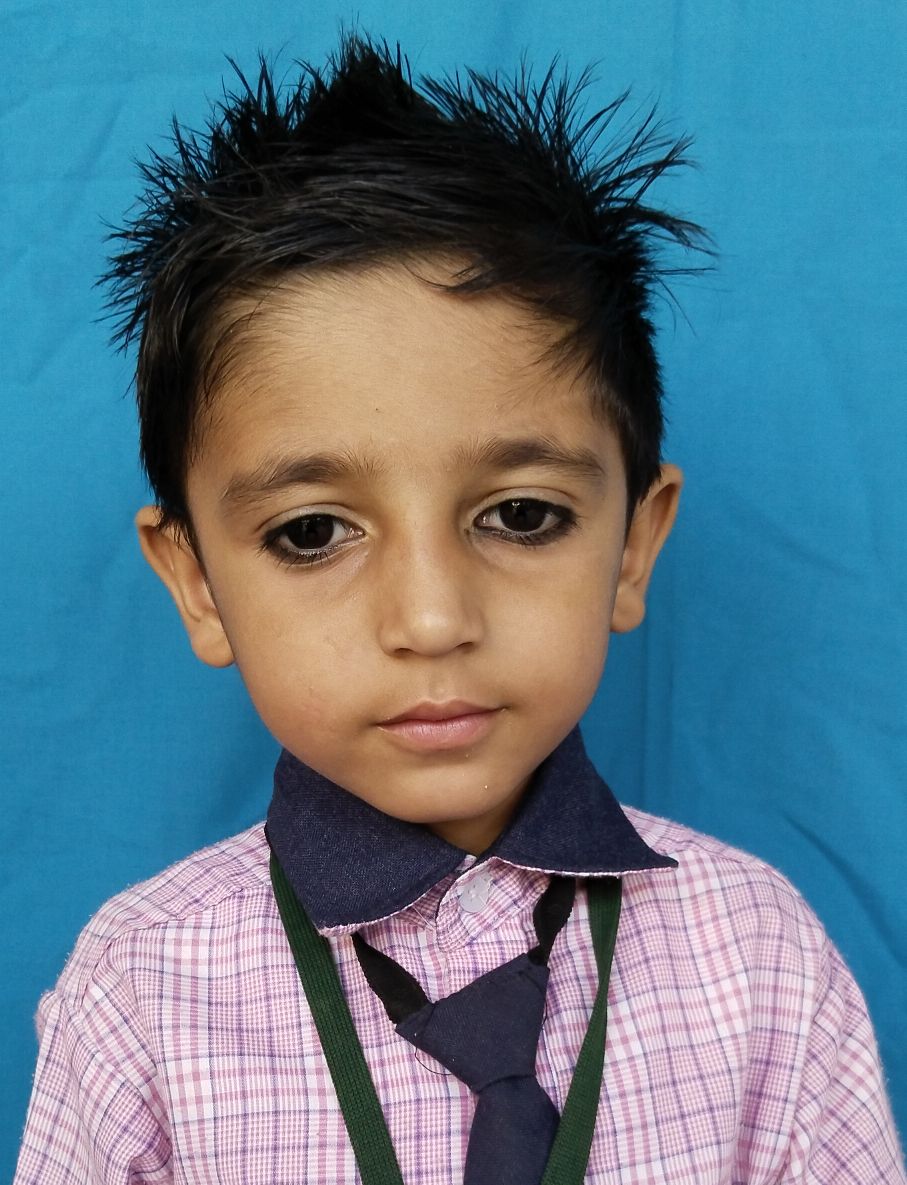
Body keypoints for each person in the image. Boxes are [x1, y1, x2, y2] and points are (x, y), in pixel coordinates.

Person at [15, 33, 905, 1185]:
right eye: (311, 532)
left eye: (520, 516)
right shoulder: (139, 987)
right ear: (195, 582)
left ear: (633, 546)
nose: (432, 621)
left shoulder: (758, 956)